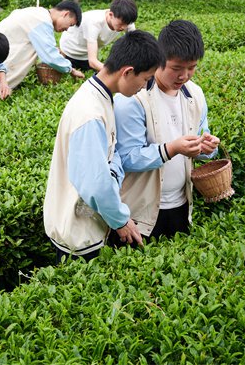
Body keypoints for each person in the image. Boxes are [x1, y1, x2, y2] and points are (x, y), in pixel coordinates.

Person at [43, 30, 166, 262]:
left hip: (82, 225)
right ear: (128, 71)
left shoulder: (100, 96)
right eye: (146, 78)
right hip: (78, 235)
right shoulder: (90, 113)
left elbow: (111, 154)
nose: (146, 86)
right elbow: (96, 185)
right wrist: (121, 220)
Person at [114, 20, 220, 241]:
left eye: (191, 68)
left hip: (181, 206)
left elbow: (202, 141)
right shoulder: (134, 99)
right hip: (139, 214)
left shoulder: (195, 95)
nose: (184, 76)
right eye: (176, 68)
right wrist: (172, 149)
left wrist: (206, 148)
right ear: (159, 61)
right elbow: (126, 158)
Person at [0, 0, 85, 94]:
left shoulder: (37, 13)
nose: (67, 29)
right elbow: (50, 56)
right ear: (66, 14)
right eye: (70, 25)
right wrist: (71, 70)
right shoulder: (42, 21)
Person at [59, 0, 137, 72]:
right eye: (121, 24)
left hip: (86, 55)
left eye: (127, 24)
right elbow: (92, 61)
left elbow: (135, 46)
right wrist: (116, 73)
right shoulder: (94, 22)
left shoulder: (126, 20)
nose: (124, 27)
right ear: (111, 15)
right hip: (69, 52)